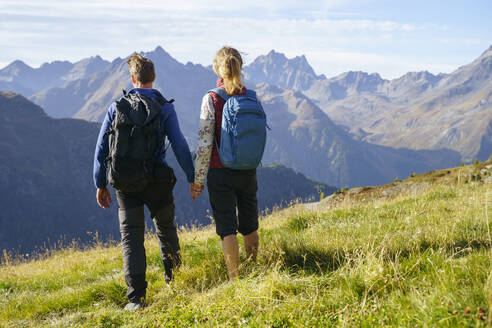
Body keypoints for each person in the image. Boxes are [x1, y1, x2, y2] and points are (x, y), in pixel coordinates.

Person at [93, 52, 195, 310]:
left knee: (131, 237)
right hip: (157, 180)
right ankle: (176, 281)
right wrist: (193, 177)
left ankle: (136, 298)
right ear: (154, 77)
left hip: (125, 181)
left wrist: (100, 183)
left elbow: (101, 148)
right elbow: (180, 145)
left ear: (132, 77)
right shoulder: (165, 107)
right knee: (166, 229)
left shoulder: (116, 106)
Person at [192, 46, 261, 279]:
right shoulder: (251, 96)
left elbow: (204, 143)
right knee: (250, 223)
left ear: (217, 69)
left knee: (227, 227)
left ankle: (235, 279)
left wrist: (197, 180)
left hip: (220, 171)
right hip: (247, 168)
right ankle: (254, 270)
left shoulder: (211, 98)